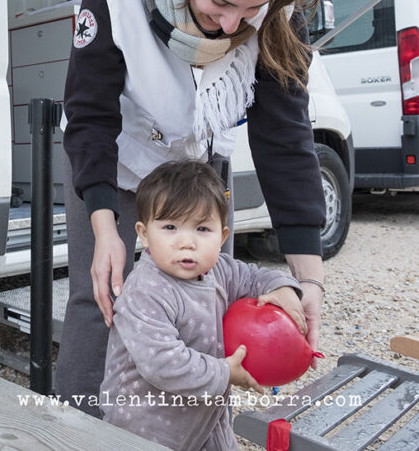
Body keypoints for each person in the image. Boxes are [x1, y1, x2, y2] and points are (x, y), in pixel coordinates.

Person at [57, 0, 327, 416]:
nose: (233, 25)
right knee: (100, 297)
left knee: (202, 299)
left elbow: (286, 141)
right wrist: (105, 228)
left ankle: (191, 427)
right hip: (113, 163)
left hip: (199, 167)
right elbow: (90, 116)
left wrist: (310, 280)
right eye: (221, 2)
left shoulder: (279, 17)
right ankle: (75, 429)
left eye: (254, 7)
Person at [98, 160, 305, 451]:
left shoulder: (218, 269)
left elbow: (254, 276)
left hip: (205, 421)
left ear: (222, 236)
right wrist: (224, 374)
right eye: (170, 227)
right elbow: (163, 363)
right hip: (145, 428)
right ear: (144, 234)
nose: (187, 242)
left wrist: (281, 287)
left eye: (202, 229)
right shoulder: (145, 291)